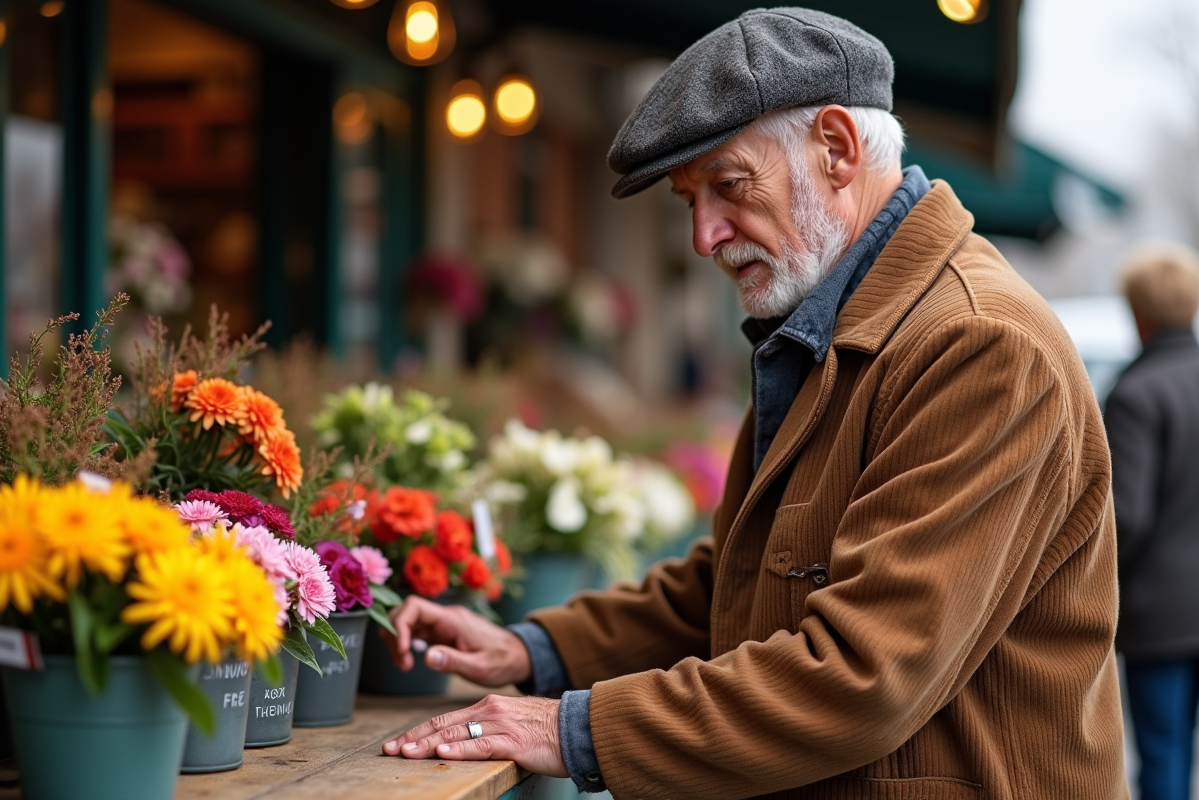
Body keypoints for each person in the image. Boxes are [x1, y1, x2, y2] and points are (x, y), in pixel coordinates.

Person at [381, 8, 1127, 798]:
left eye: (729, 186)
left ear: (837, 149)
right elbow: (742, 580)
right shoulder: (840, 322)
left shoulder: (979, 346)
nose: (705, 236)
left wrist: (570, 726)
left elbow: (864, 675)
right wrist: (532, 652)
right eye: (688, 201)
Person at [1105, 243, 1199, 800]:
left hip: (1159, 617)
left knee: (1163, 761)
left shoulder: (1137, 394)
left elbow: (1126, 515)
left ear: (1139, 314)